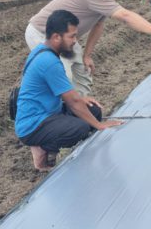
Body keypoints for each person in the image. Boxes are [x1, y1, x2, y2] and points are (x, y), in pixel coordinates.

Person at [17, 10, 123, 172]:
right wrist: (100, 126)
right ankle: (42, 146)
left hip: (50, 111)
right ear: (56, 37)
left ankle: (60, 139)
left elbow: (69, 95)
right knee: (80, 128)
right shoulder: (49, 61)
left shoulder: (43, 50)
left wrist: (83, 102)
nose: (75, 41)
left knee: (93, 110)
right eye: (71, 36)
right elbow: (73, 102)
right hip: (33, 124)